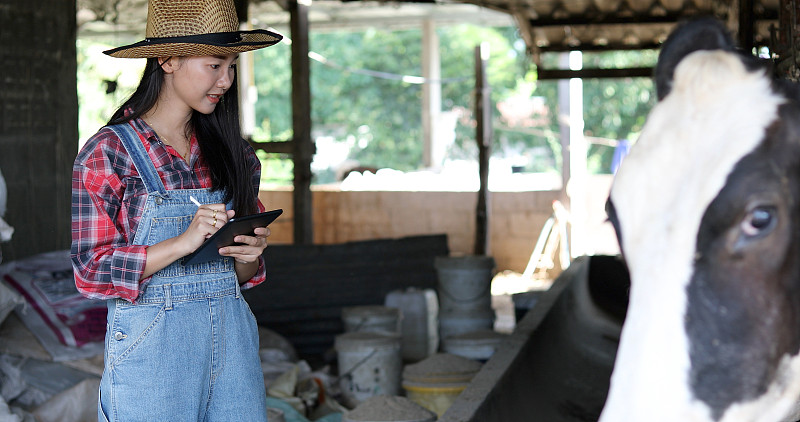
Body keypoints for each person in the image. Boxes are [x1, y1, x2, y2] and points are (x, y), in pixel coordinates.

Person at [70, 1, 282, 420]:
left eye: (232, 67)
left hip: (233, 345)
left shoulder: (234, 154)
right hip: (153, 350)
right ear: (166, 60)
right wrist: (183, 243)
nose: (226, 80)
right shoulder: (109, 154)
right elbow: (90, 272)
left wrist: (248, 255)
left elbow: (239, 279)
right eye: (214, 65)